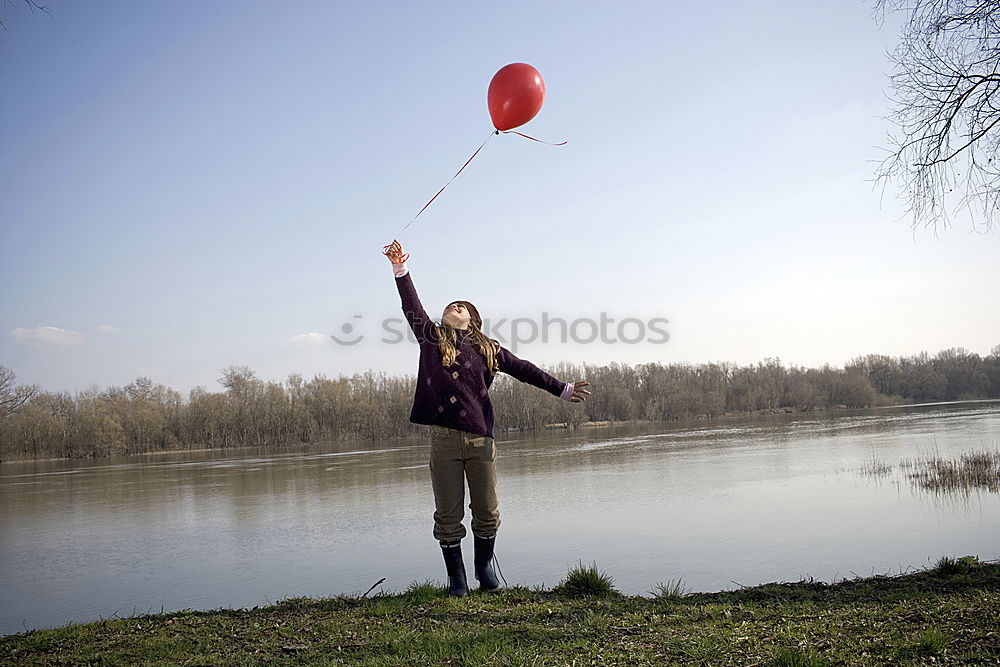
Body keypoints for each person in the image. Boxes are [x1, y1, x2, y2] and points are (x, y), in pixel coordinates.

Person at [383, 239, 591, 597]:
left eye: (462, 306)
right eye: (450, 305)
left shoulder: (488, 349)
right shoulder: (431, 339)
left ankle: (484, 570)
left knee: (487, 511)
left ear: (473, 320)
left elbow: (525, 370)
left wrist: (563, 389)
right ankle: (457, 580)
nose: (455, 306)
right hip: (444, 442)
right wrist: (400, 269)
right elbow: (411, 307)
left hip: (481, 440)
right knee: (447, 516)